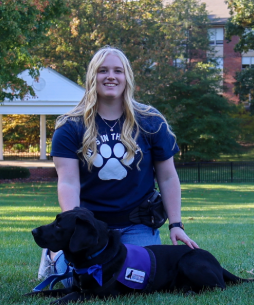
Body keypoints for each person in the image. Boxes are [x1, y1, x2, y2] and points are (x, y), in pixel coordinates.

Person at [46, 46, 196, 277]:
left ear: (127, 77)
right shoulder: (70, 126)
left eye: (118, 71)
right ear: (92, 77)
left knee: (135, 277)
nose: (111, 77)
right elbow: (68, 182)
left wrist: (176, 225)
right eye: (102, 71)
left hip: (137, 223)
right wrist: (73, 229)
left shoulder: (151, 121)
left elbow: (167, 177)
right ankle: (52, 257)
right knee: (75, 280)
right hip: (91, 225)